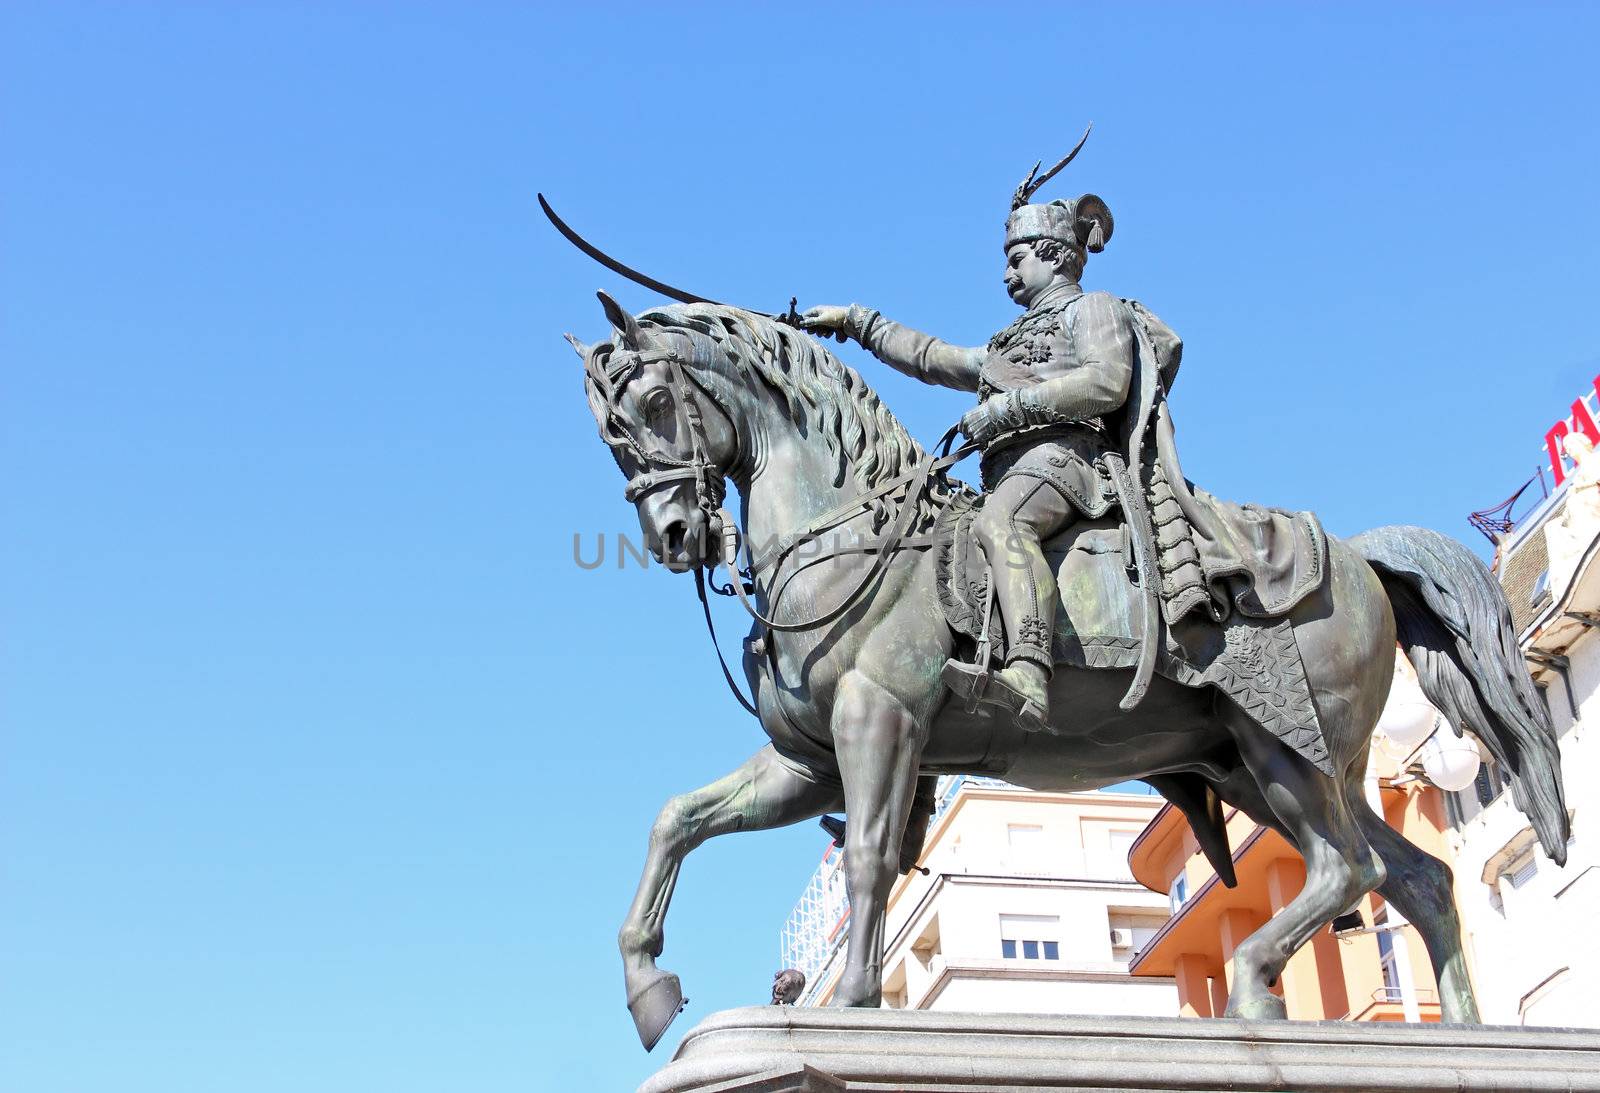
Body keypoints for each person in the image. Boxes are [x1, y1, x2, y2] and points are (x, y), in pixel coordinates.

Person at [800, 190, 1133, 732]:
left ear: (1053, 254)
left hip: (1066, 458)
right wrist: (857, 322)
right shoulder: (1009, 341)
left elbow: (1106, 381)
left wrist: (1008, 408)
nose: (1006, 272)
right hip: (1013, 468)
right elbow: (935, 357)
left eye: (1016, 258)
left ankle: (1028, 669)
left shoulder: (1092, 308)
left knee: (1001, 522)